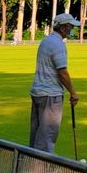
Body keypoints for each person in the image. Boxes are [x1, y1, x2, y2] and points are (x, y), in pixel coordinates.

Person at [29, 12, 81, 153]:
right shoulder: (58, 44)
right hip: (50, 95)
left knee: (37, 132)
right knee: (47, 134)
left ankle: (30, 165)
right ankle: (42, 170)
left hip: (38, 92)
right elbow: (62, 72)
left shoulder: (46, 41)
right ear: (63, 28)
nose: (72, 30)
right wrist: (73, 93)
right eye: (70, 27)